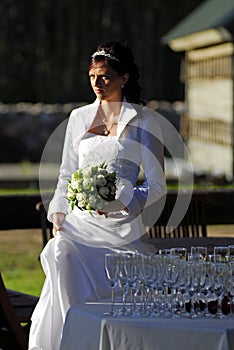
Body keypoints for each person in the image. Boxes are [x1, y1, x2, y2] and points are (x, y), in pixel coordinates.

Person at [28, 41, 166, 350]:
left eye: (105, 76)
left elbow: (157, 186)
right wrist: (59, 214)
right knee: (60, 252)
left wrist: (124, 199)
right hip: (78, 226)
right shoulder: (78, 118)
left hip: (122, 229)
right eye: (92, 76)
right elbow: (66, 174)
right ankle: (70, 341)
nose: (97, 83)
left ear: (124, 78)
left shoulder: (144, 121)